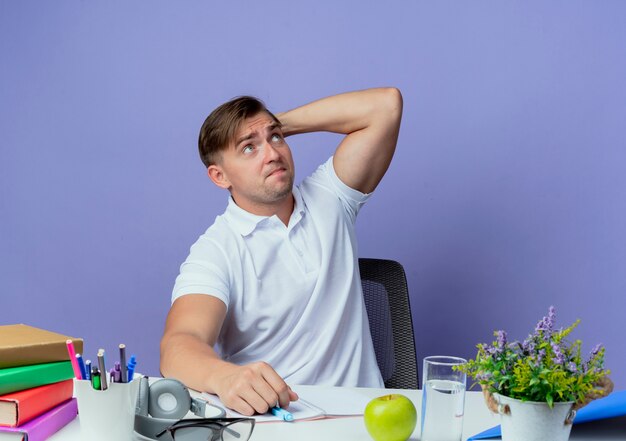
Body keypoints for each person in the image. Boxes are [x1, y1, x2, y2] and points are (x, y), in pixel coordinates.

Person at [160, 87, 403, 416]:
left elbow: (385, 105)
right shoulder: (216, 250)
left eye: (276, 139)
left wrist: (271, 125)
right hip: (278, 420)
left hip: (367, 418)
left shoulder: (331, 198)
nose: (272, 154)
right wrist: (223, 377)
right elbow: (179, 345)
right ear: (219, 176)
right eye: (248, 148)